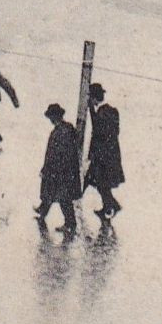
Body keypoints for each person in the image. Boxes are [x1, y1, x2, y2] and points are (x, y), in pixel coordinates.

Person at [36, 103, 81, 235]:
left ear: (54, 117)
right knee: (55, 194)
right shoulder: (67, 129)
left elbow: (54, 154)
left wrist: (48, 169)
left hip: (60, 171)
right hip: (65, 170)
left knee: (62, 197)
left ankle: (70, 224)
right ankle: (43, 214)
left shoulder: (59, 132)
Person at [83, 83, 125, 222]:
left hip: (103, 155)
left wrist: (90, 110)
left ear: (95, 98)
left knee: (98, 181)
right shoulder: (110, 110)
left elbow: (98, 130)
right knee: (97, 181)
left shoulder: (103, 112)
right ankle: (110, 206)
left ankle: (111, 206)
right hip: (108, 154)